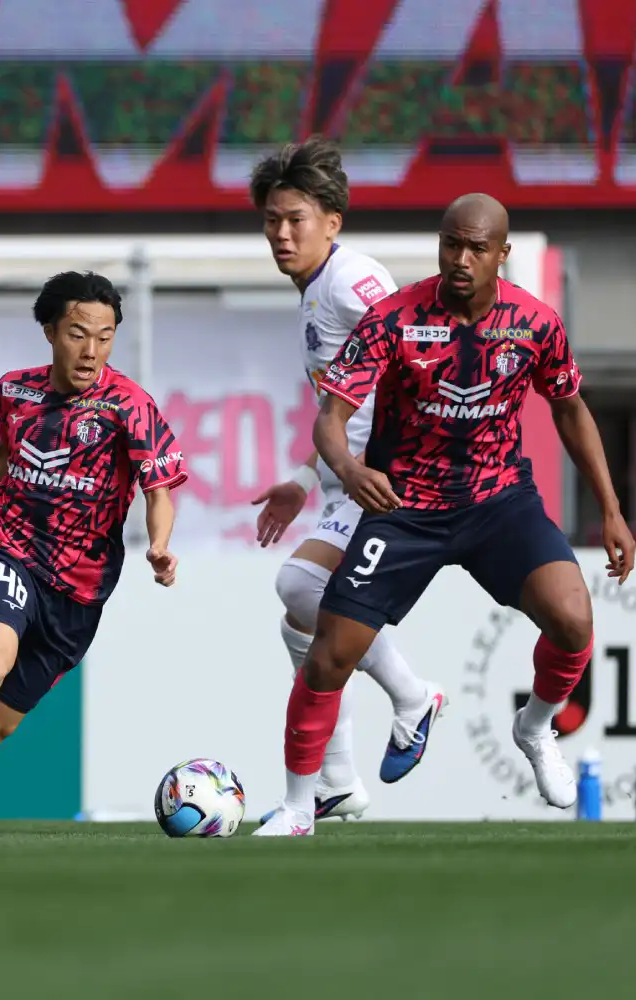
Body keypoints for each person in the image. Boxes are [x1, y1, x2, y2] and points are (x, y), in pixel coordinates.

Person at [256, 192, 636, 836]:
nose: (460, 259)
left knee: (574, 620)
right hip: (404, 505)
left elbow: (571, 410)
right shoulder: (393, 320)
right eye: (450, 244)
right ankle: (300, 808)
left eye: (476, 249)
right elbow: (331, 418)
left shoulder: (535, 323)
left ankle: (535, 728)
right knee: (326, 655)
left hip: (499, 504)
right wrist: (349, 471)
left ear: (502, 256)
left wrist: (612, 508)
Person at [0, 271, 187, 837]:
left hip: (81, 588)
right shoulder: (16, 389)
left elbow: (158, 488)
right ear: (50, 332)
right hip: (12, 548)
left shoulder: (131, 405)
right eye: (78, 333)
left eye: (104, 335)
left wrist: (161, 545)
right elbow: (9, 451)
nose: (91, 350)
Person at [249, 137, 445, 824]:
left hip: (386, 480)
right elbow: (342, 403)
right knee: (304, 623)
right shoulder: (312, 292)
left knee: (301, 586)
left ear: (332, 221)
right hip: (346, 483)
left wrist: (406, 461)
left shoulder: (351, 279)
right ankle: (337, 781)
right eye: (271, 219)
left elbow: (416, 352)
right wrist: (305, 477)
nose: (280, 232)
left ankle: (414, 696)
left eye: (295, 218)